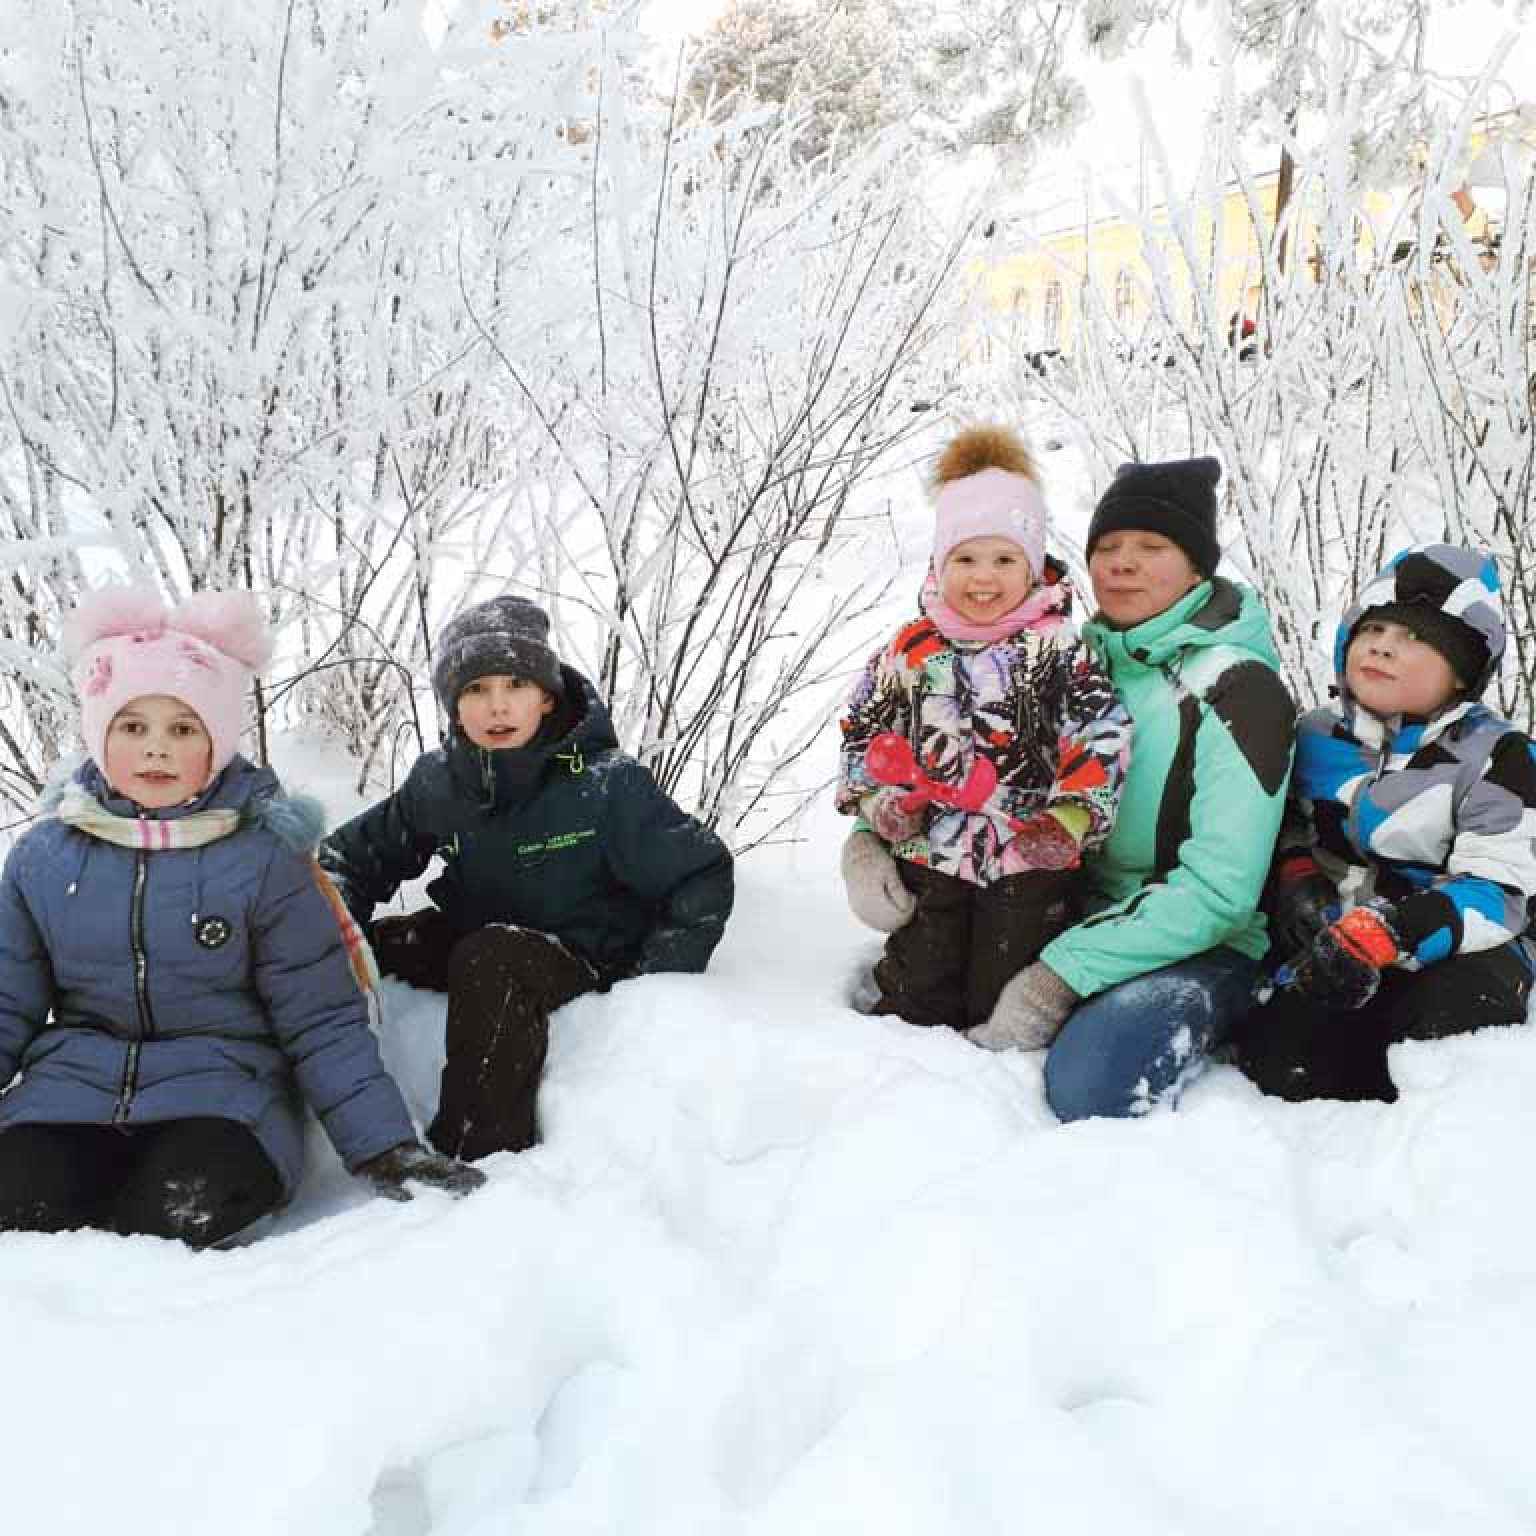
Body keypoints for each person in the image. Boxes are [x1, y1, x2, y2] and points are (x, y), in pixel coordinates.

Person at [0, 587, 480, 1247]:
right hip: (71, 1094)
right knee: (19, 1207)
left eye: (183, 728)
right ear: (99, 734)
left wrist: (385, 1146)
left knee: (173, 1217)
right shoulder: (45, 859)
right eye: (133, 727)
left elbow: (320, 1020)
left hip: (222, 1098)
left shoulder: (260, 861)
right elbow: (5, 1001)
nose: (157, 750)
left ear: (217, 741)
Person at [320, 594, 734, 1162]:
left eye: (514, 685)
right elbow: (351, 857)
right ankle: (330, 1121)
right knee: (374, 947)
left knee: (493, 956)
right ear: (453, 705)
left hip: (581, 955)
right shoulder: (442, 780)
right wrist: (330, 924)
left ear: (546, 695)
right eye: (475, 690)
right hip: (476, 938)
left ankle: (478, 1153)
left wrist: (652, 978)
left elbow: (703, 873)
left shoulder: (606, 785)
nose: (497, 707)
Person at [965, 456, 1296, 1121]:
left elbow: (1221, 893)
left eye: (1152, 547)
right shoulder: (1065, 661)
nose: (1121, 562)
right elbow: (952, 761)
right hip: (1072, 910)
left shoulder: (1237, 687)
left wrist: (1061, 974)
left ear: (1198, 569)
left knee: (1094, 1083)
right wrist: (871, 834)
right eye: (1108, 547)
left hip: (1203, 943)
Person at [837, 425, 1132, 1031]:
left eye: (1004, 560)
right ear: (940, 563)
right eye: (965, 559)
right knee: (920, 988)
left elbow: (1101, 732)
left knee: (997, 993)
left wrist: (1070, 818)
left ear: (1032, 568)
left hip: (1029, 863)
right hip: (929, 856)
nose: (983, 578)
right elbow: (864, 728)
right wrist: (877, 800)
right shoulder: (910, 648)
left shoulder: (1059, 649)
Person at [1234, 544, 1536, 1102]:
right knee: (1279, 1062)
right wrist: (1297, 874)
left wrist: (1394, 932)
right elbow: (1285, 826)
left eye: (1418, 638)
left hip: (1458, 942)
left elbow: (1500, 885)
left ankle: (1444, 1123)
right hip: (1339, 947)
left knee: (1455, 1015)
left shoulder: (1501, 755)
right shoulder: (1314, 736)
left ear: (1461, 675)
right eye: (1374, 628)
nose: (1384, 646)